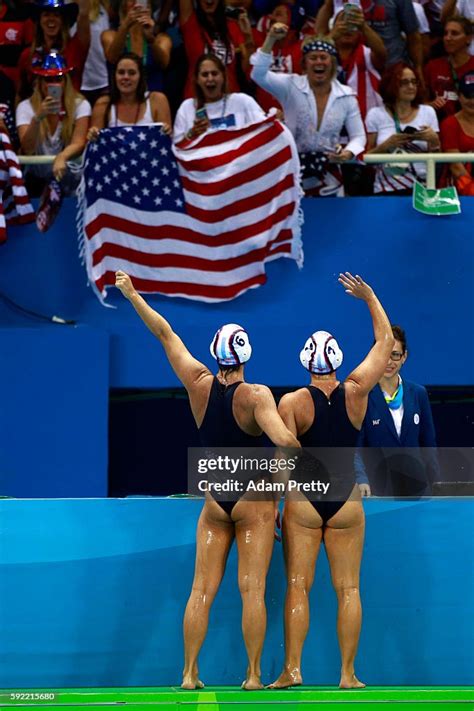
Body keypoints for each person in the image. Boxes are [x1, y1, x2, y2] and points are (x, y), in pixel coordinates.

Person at [114, 270, 300, 691]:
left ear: (216, 355)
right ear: (246, 357)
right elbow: (287, 442)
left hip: (216, 501)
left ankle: (189, 673)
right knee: (251, 591)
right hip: (254, 502)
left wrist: (131, 293)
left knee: (201, 590)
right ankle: (253, 676)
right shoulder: (256, 396)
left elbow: (165, 333)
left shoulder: (197, 383)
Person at [269, 272, 394, 689]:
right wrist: (370, 297)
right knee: (349, 589)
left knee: (297, 588)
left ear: (305, 362)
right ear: (339, 362)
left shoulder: (290, 403)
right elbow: (385, 345)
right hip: (346, 499)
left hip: (304, 500)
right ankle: (347, 674)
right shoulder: (357, 391)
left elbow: (284, 461)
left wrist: (274, 510)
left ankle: (292, 670)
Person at [251, 25, 366, 196]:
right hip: (293, 171)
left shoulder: (346, 96)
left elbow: (359, 136)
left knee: (334, 222)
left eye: (323, 57)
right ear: (304, 62)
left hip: (330, 175)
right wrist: (271, 39)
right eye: (313, 58)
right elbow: (258, 75)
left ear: (332, 62)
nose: (319, 62)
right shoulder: (290, 86)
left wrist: (349, 152)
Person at [355, 325, 440, 497]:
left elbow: (428, 446)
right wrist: (361, 478)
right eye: (384, 354)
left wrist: (437, 485)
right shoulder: (363, 396)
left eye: (395, 355)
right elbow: (356, 446)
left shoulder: (418, 394)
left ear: (404, 357)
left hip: (417, 488)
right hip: (378, 490)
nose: (389, 362)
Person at [16, 50, 90, 195]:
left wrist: (61, 157)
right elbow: (28, 148)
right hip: (37, 182)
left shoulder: (80, 104)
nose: (53, 84)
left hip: (69, 178)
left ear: (66, 81)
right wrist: (37, 118)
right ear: (40, 82)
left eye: (58, 79)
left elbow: (79, 142)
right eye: (48, 80)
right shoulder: (25, 107)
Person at [365, 63, 440, 195]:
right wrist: (386, 146)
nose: (411, 87)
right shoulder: (375, 114)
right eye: (404, 82)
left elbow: (438, 161)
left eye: (413, 82)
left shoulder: (428, 112)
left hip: (423, 189)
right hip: (386, 189)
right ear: (391, 84)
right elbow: (366, 159)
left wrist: (434, 141)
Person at [173, 53, 265, 142]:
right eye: (205, 75)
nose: (210, 79)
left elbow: (264, 129)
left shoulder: (243, 101)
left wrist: (274, 118)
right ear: (197, 79)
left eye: (214, 73)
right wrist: (192, 133)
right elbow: (177, 147)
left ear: (223, 76)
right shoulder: (187, 107)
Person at [178, 0, 253, 98]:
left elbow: (243, 69)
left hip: (229, 100)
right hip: (198, 100)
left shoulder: (232, 26)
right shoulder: (191, 24)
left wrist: (248, 36)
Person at [87, 52, 171, 136]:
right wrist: (93, 134)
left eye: (132, 73)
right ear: (114, 76)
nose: (126, 77)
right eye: (121, 72)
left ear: (141, 77)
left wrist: (167, 130)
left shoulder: (157, 100)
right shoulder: (103, 104)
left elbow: (166, 141)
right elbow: (97, 144)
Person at [19, 0, 90, 97]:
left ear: (63, 21)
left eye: (56, 15)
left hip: (71, 109)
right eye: (46, 15)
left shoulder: (75, 49)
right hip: (37, 110)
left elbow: (84, 14)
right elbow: (21, 94)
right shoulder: (28, 55)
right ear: (39, 20)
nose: (51, 19)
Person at [101, 0, 171, 92]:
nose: (136, 3)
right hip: (121, 99)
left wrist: (151, 40)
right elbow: (112, 58)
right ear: (123, 6)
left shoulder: (161, 39)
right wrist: (125, 25)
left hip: (152, 100)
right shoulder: (110, 35)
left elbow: (163, 64)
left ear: (149, 7)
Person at [330, 7, 386, 119]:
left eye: (352, 25)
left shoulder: (367, 53)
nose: (348, 29)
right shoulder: (323, 54)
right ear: (334, 28)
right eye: (343, 23)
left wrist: (364, 26)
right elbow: (310, 55)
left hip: (364, 121)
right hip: (331, 120)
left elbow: (382, 53)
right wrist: (331, 36)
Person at [424, 15, 474, 123]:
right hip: (439, 127)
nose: (448, 38)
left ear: (469, 38)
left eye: (454, 33)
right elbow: (419, 104)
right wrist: (431, 105)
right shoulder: (432, 66)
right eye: (445, 33)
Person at [440, 70, 474, 195]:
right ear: (459, 96)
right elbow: (456, 167)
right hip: (457, 191)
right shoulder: (450, 124)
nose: (472, 101)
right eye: (467, 95)